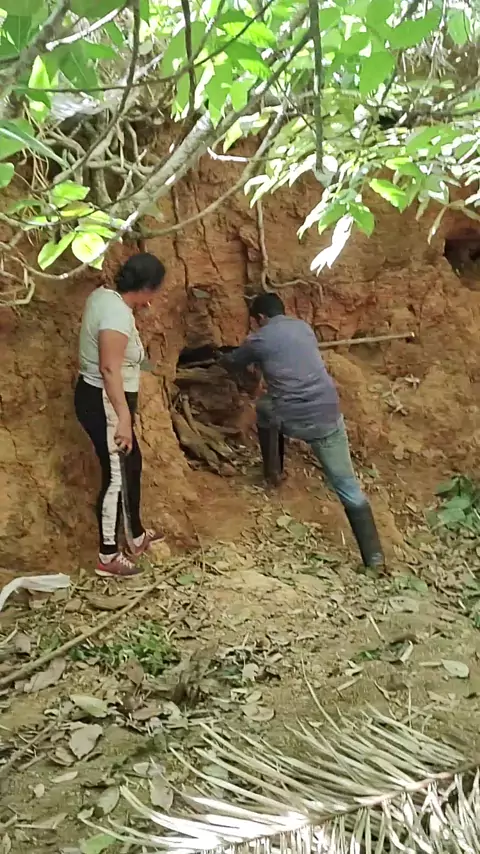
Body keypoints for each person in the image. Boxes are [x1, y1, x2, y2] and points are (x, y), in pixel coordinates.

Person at [220, 293, 384, 570]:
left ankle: (272, 473)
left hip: (293, 418)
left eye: (256, 321)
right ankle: (375, 558)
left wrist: (219, 358)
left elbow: (234, 361)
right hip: (328, 414)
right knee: (347, 486)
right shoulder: (303, 327)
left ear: (261, 318)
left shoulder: (259, 339)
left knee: (264, 409)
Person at [74, 253, 166, 578]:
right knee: (115, 476)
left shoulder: (105, 297)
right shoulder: (117, 314)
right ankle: (108, 555)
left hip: (105, 398)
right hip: (105, 402)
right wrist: (123, 418)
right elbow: (109, 368)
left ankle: (135, 535)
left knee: (131, 463)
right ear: (147, 288)